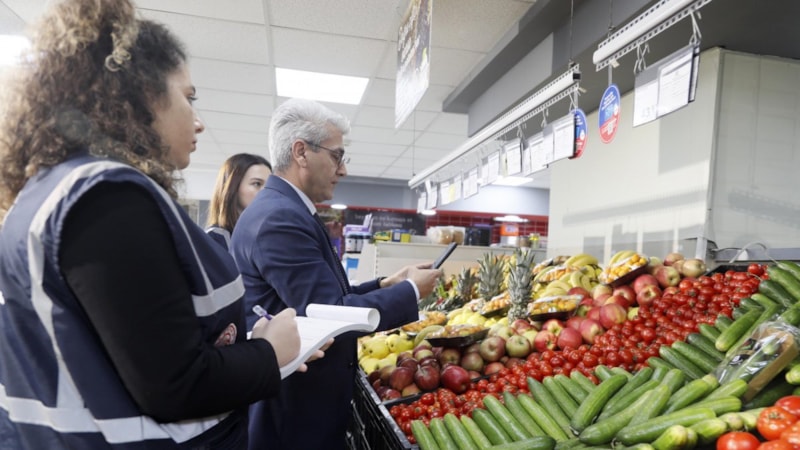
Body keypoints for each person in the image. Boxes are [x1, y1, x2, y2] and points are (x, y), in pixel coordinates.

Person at [0, 0, 315, 447]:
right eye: (188, 98)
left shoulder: (51, 190)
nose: (198, 121)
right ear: (142, 94)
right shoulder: (108, 197)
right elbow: (176, 384)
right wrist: (269, 351)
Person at [230, 98, 443, 449]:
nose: (342, 170)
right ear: (301, 152)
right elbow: (329, 310)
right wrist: (410, 291)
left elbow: (325, 296)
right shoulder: (280, 218)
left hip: (301, 403)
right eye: (337, 155)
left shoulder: (286, 210)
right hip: (294, 412)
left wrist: (386, 284)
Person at [206, 153, 272, 249]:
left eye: (269, 185)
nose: (266, 191)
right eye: (257, 183)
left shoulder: (269, 236)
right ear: (233, 187)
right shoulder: (215, 238)